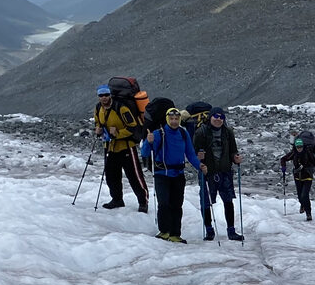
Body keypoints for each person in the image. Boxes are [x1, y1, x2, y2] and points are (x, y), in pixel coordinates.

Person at [140, 105, 201, 241]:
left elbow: (190, 154)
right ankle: (164, 231)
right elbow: (144, 153)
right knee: (164, 203)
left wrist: (200, 166)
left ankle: (175, 234)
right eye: (171, 118)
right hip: (162, 174)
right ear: (167, 119)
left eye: (176, 118)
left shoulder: (183, 134)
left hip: (178, 175)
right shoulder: (158, 134)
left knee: (176, 205)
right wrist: (148, 142)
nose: (174, 121)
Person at [94, 84, 148, 213]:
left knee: (134, 175)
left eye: (106, 95)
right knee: (111, 176)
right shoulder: (98, 108)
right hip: (109, 147)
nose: (104, 98)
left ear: (110, 95)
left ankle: (143, 202)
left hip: (126, 147)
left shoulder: (121, 108)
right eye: (101, 95)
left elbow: (132, 127)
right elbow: (98, 122)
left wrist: (117, 133)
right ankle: (117, 199)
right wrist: (98, 130)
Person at [192, 106, 243, 241]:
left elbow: (233, 150)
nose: (219, 119)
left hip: (225, 171)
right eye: (216, 116)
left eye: (221, 117)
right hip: (207, 172)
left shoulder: (228, 132)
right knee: (206, 202)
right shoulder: (201, 132)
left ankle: (231, 231)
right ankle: (209, 230)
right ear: (211, 117)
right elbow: (193, 153)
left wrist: (235, 158)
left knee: (228, 201)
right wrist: (199, 159)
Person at [278, 131, 315, 220]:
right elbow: (283, 159)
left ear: (303, 146)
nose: (299, 148)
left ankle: (308, 214)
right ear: (295, 147)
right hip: (297, 176)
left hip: (307, 175)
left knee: (305, 195)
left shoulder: (308, 153)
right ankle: (303, 205)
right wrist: (283, 167)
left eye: (300, 147)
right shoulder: (294, 153)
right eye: (298, 147)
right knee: (300, 196)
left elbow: (314, 161)